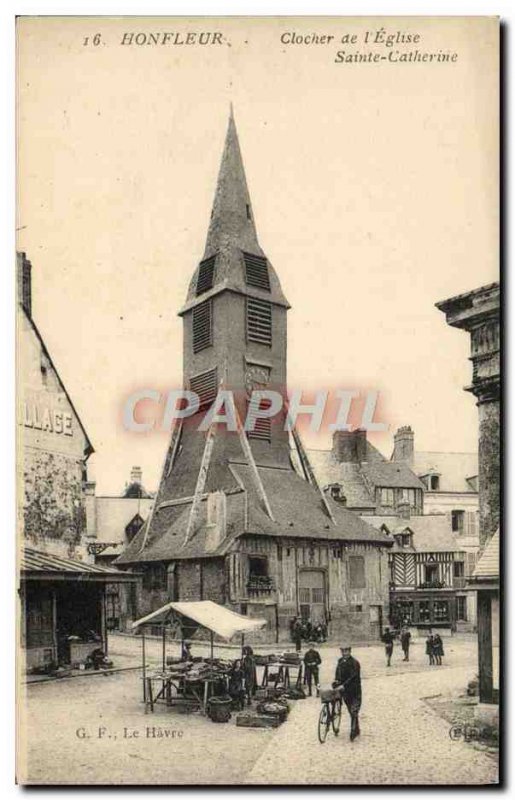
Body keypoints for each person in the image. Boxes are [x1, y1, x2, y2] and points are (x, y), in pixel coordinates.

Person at [334, 646, 362, 741]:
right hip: (345, 691)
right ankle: (357, 728)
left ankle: (353, 732)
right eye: (343, 651)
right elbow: (338, 673)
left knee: (354, 710)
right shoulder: (340, 661)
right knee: (351, 710)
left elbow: (353, 677)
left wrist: (344, 685)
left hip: (355, 690)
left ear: (350, 652)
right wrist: (336, 680)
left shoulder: (355, 663)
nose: (344, 653)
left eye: (346, 651)